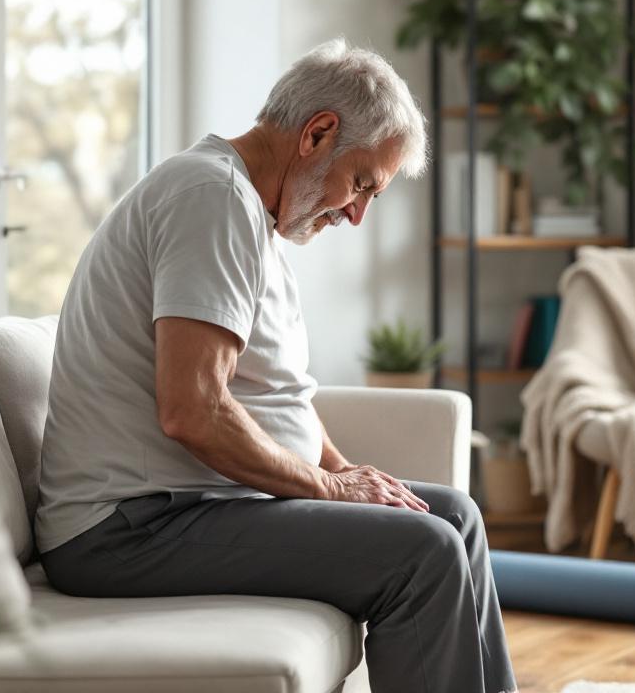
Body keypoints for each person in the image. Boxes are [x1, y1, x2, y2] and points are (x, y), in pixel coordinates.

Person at [36, 38, 517, 693]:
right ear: (317, 133)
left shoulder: (250, 216)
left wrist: (343, 469)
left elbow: (273, 394)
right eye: (361, 184)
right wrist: (330, 491)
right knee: (421, 554)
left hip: (193, 507)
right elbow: (192, 409)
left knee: (454, 516)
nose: (356, 214)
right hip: (127, 527)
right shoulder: (210, 199)